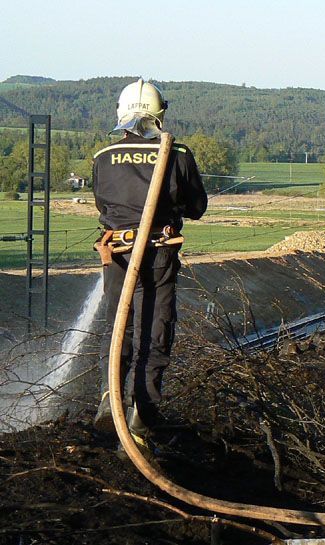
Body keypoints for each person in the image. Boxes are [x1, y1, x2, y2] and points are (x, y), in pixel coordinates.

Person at [92, 79, 207, 455]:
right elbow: (196, 207)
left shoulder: (104, 155)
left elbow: (103, 206)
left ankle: (111, 398)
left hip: (118, 256)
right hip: (157, 253)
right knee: (155, 328)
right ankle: (140, 411)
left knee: (119, 325)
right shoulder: (177, 153)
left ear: (122, 114)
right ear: (159, 114)